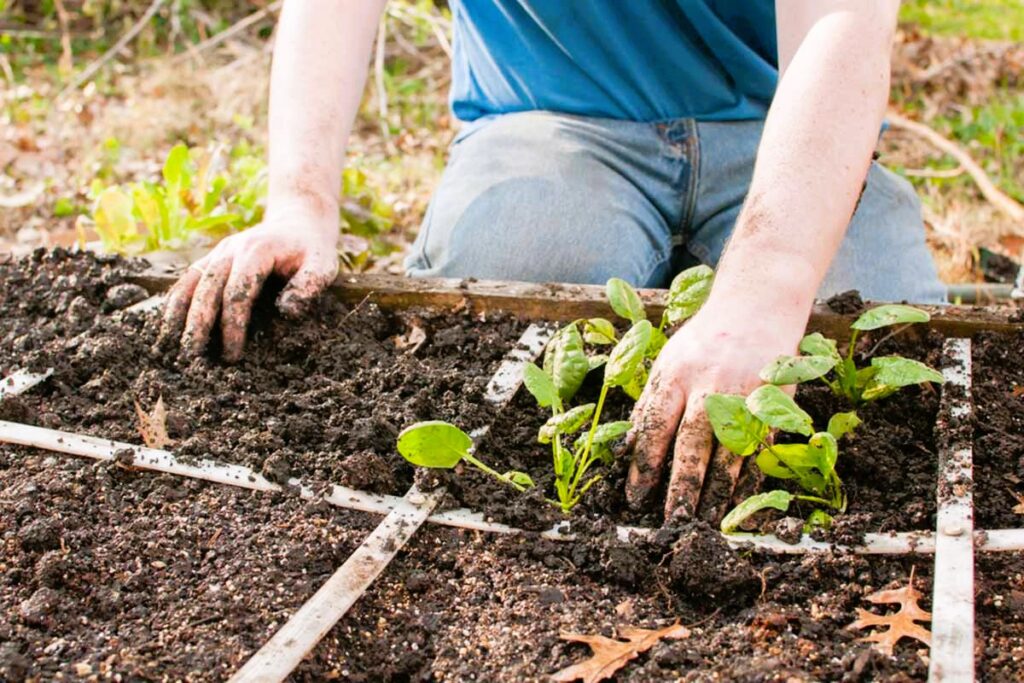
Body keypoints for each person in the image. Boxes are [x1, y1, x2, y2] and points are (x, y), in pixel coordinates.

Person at [161, 0, 946, 521]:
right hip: (544, 119)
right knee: (507, 304)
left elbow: (846, 17)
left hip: (786, 119)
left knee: (889, 349)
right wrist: (301, 202)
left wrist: (768, 283)